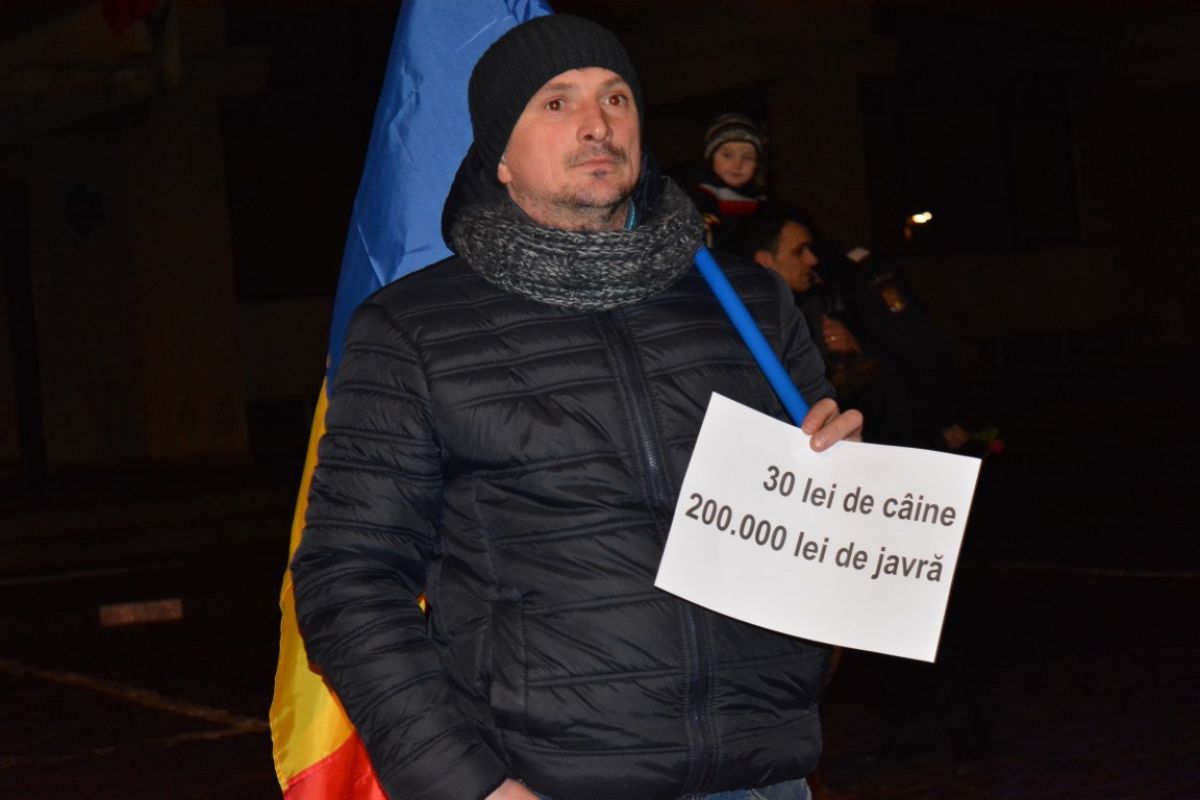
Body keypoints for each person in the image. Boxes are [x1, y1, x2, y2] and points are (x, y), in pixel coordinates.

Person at [291, 14, 862, 800]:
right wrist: (467, 783)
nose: (598, 124)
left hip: (761, 776)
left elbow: (816, 539)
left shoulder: (749, 302)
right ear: (500, 157)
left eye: (616, 98)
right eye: (556, 103)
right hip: (549, 781)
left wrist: (840, 480)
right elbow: (347, 576)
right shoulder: (413, 330)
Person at [686, 112, 768, 250]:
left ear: (757, 164)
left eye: (747, 157)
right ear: (711, 158)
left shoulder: (762, 202)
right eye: (727, 155)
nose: (737, 165)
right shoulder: (700, 197)